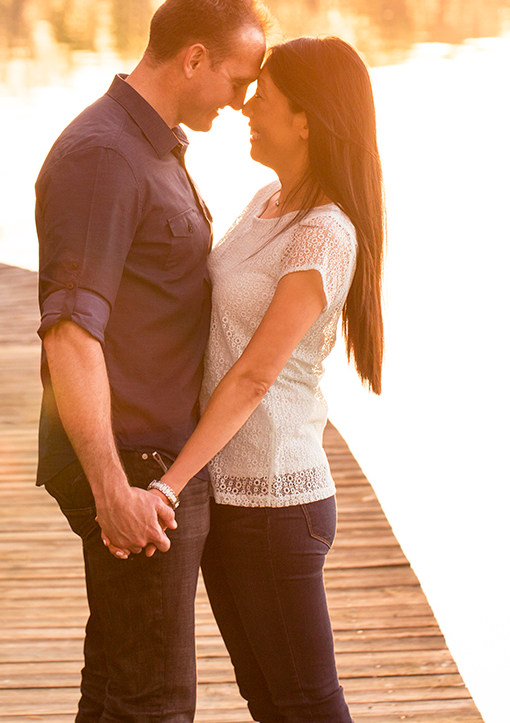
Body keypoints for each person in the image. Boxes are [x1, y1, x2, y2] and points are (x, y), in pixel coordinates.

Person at [33, 0, 271, 723]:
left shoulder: (152, 146)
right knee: (153, 703)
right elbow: (70, 333)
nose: (241, 102)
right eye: (239, 79)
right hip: (133, 463)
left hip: (153, 456)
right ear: (195, 59)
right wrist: (114, 492)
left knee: (120, 689)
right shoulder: (105, 156)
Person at [139, 36, 386, 723]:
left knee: (306, 702)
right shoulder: (265, 202)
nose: (246, 106)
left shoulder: (325, 234)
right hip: (231, 497)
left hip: (279, 502)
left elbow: (253, 377)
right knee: (268, 700)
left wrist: (169, 482)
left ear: (306, 117)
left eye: (264, 96)